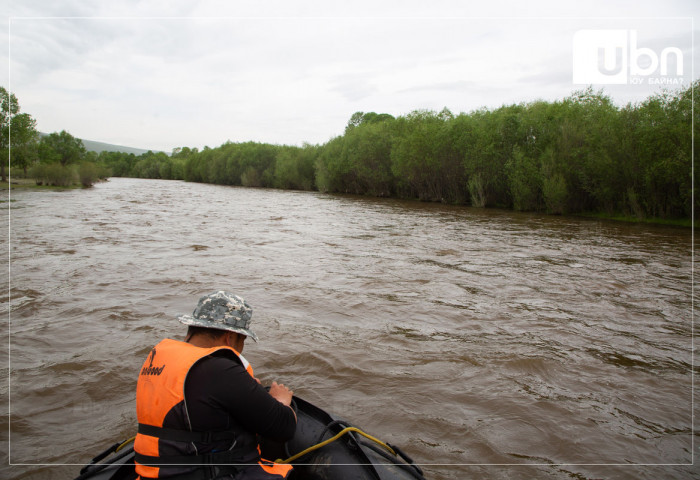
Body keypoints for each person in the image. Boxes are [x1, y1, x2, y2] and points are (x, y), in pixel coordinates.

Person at [134, 291, 297, 479]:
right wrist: (280, 400)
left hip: (152, 472)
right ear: (229, 337)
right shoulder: (221, 370)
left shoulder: (157, 359)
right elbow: (284, 427)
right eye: (242, 340)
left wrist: (242, 387)